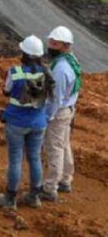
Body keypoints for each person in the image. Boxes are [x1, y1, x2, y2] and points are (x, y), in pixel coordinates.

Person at [0, 35, 52, 210]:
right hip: (38, 123)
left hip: (16, 122)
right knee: (35, 158)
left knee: (15, 160)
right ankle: (34, 197)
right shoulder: (46, 73)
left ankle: (10, 198)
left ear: (25, 54)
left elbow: (7, 91)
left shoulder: (15, 72)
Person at [41, 26, 81, 202]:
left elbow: (55, 98)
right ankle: (65, 179)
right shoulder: (71, 60)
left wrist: (48, 116)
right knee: (64, 145)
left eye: (55, 43)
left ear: (65, 46)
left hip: (59, 112)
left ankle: (50, 188)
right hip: (68, 109)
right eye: (50, 42)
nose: (50, 46)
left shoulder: (60, 70)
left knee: (54, 148)